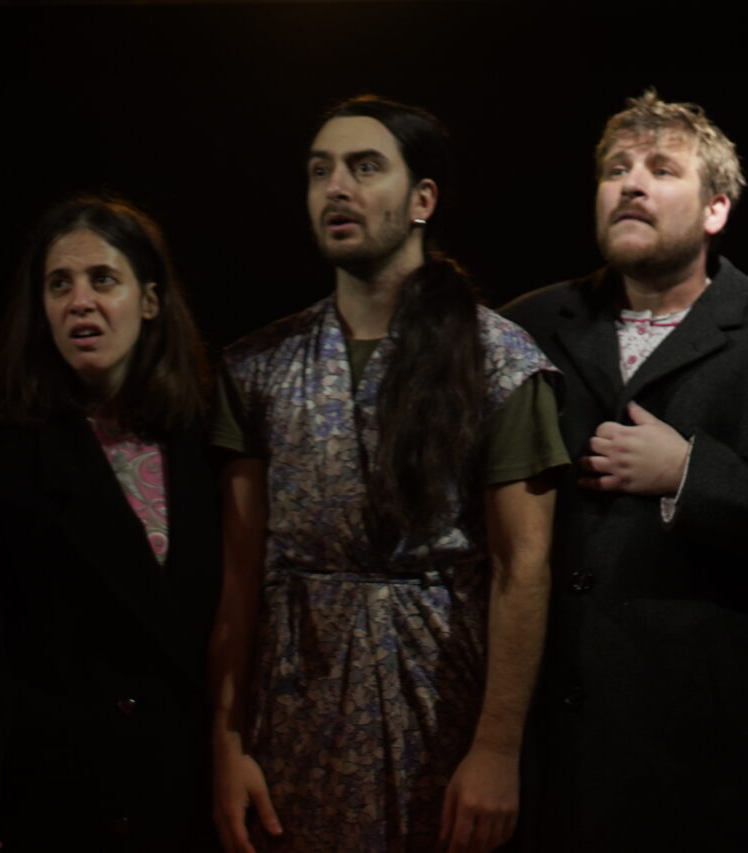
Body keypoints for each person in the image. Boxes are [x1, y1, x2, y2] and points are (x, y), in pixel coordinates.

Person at [503, 91, 748, 851]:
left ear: (716, 209)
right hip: (552, 755)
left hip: (709, 764)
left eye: (661, 169)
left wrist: (690, 472)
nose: (631, 185)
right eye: (616, 169)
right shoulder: (525, 328)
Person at [208, 95, 566, 853]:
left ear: (421, 200)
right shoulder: (259, 367)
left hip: (439, 708)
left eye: (364, 167)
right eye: (320, 171)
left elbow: (522, 565)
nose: (336, 187)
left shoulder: (499, 360)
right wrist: (228, 742)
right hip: (295, 713)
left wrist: (497, 748)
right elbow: (239, 581)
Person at [0, 195, 220, 851]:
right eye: (59, 284)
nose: (79, 302)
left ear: (149, 300)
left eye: (102, 279)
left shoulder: (204, 434)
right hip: (49, 795)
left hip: (180, 789)